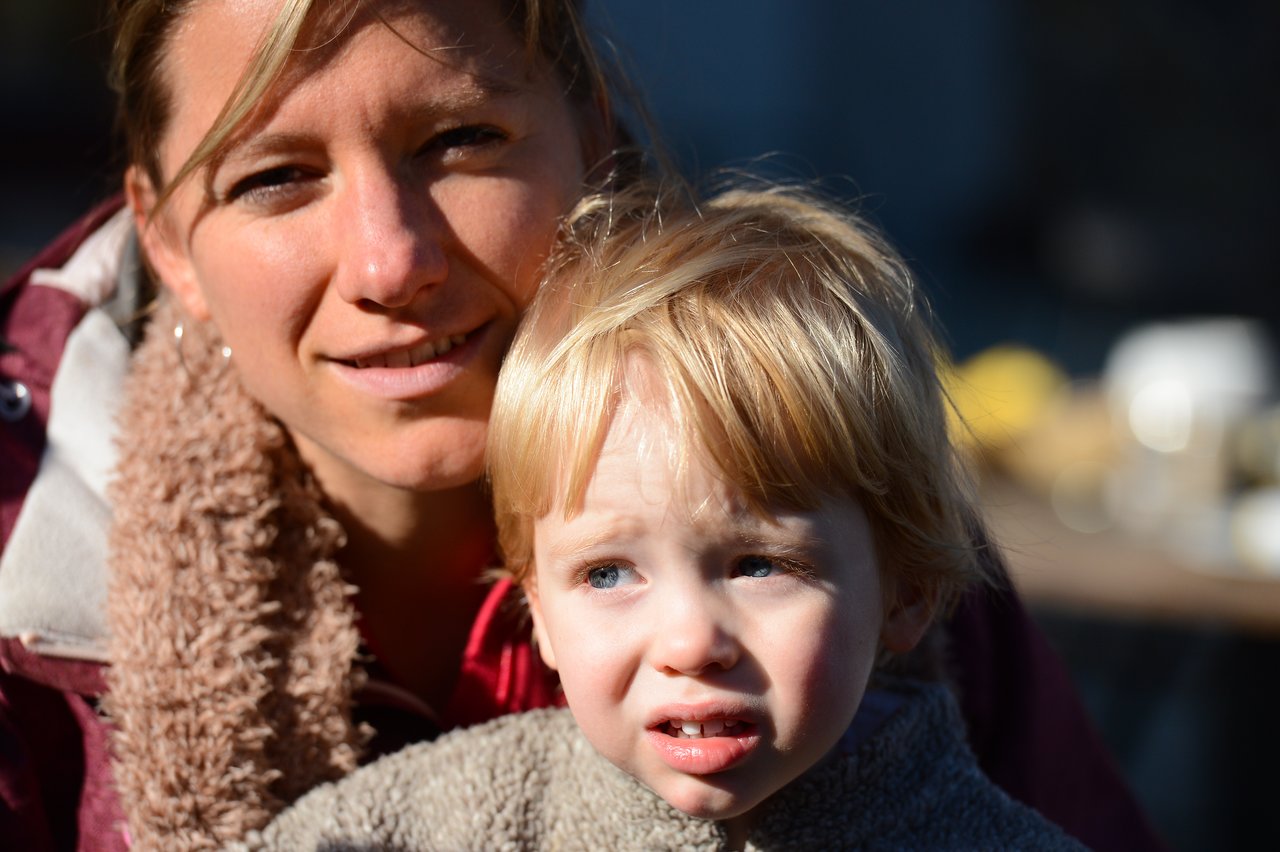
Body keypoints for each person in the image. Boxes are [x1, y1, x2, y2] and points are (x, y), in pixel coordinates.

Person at [0, 1, 1161, 850]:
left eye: (458, 141)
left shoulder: (826, 474)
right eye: (274, 179)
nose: (388, 260)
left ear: (591, 141)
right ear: (165, 243)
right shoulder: (19, 536)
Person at [242, 182, 1084, 850]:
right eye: (608, 573)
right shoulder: (470, 816)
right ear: (536, 607)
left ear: (905, 591)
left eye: (758, 565)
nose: (689, 643)